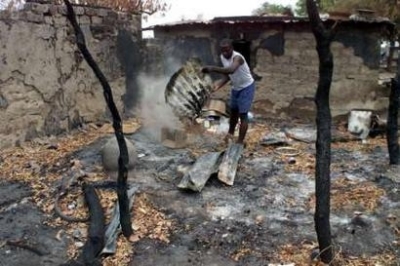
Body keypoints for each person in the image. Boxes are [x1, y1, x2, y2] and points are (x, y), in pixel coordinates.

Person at [202, 38, 255, 145]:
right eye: (223, 51)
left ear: (232, 48)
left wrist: (212, 68)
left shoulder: (238, 58)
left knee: (243, 115)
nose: (225, 53)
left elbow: (231, 70)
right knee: (233, 112)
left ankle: (240, 142)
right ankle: (230, 135)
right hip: (236, 88)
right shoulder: (223, 57)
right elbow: (228, 76)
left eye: (227, 50)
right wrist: (217, 86)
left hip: (246, 87)